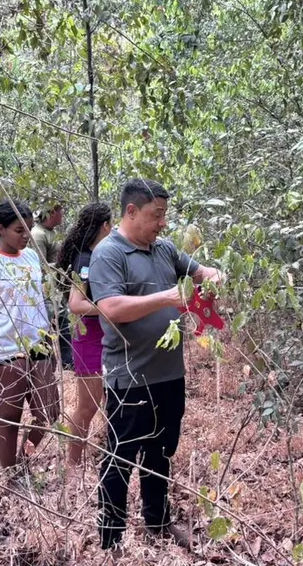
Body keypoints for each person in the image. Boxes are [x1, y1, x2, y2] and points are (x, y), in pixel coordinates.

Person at [89, 179, 224, 552]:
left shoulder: (164, 250)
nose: (162, 223)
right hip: (129, 378)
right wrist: (167, 296)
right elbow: (111, 307)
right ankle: (110, 538)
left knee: (161, 452)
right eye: (155, 215)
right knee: (121, 457)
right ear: (131, 211)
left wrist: (213, 277)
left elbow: (199, 272)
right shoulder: (108, 254)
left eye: (164, 215)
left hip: (169, 375)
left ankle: (158, 521)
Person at [0, 199, 60, 484]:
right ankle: (11, 477)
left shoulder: (31, 258)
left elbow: (40, 303)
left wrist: (51, 346)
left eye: (29, 229)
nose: (26, 235)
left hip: (38, 348)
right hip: (3, 354)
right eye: (19, 230)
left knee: (48, 414)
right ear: (0, 229)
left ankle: (22, 462)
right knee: (9, 419)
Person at [54, 202, 114, 468]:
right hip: (89, 339)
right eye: (111, 224)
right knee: (87, 407)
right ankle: (73, 464)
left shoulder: (98, 256)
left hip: (105, 338)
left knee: (110, 402)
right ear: (104, 226)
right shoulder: (85, 261)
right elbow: (76, 303)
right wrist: (111, 310)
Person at [32, 203, 75, 370]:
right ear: (51, 213)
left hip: (58, 284)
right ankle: (54, 361)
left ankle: (66, 360)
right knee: (55, 321)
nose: (62, 213)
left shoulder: (51, 233)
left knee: (65, 321)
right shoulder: (38, 234)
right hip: (47, 287)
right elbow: (39, 265)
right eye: (60, 210)